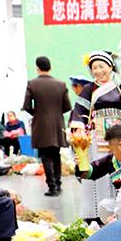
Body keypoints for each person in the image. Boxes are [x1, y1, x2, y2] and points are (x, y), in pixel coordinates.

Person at [69, 51, 121, 222]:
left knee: (118, 170)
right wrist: (78, 129)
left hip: (120, 135)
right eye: (94, 67)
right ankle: (95, 213)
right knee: (97, 170)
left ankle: (119, 210)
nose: (98, 71)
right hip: (98, 135)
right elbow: (79, 112)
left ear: (110, 66)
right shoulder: (89, 89)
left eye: (101, 66)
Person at [22, 56, 72, 196]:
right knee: (55, 155)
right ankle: (58, 183)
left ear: (37, 67)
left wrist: (37, 113)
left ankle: (52, 187)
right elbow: (67, 106)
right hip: (57, 124)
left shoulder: (32, 84)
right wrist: (55, 113)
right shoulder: (61, 84)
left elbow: (26, 106)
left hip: (41, 125)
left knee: (45, 156)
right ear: (50, 67)